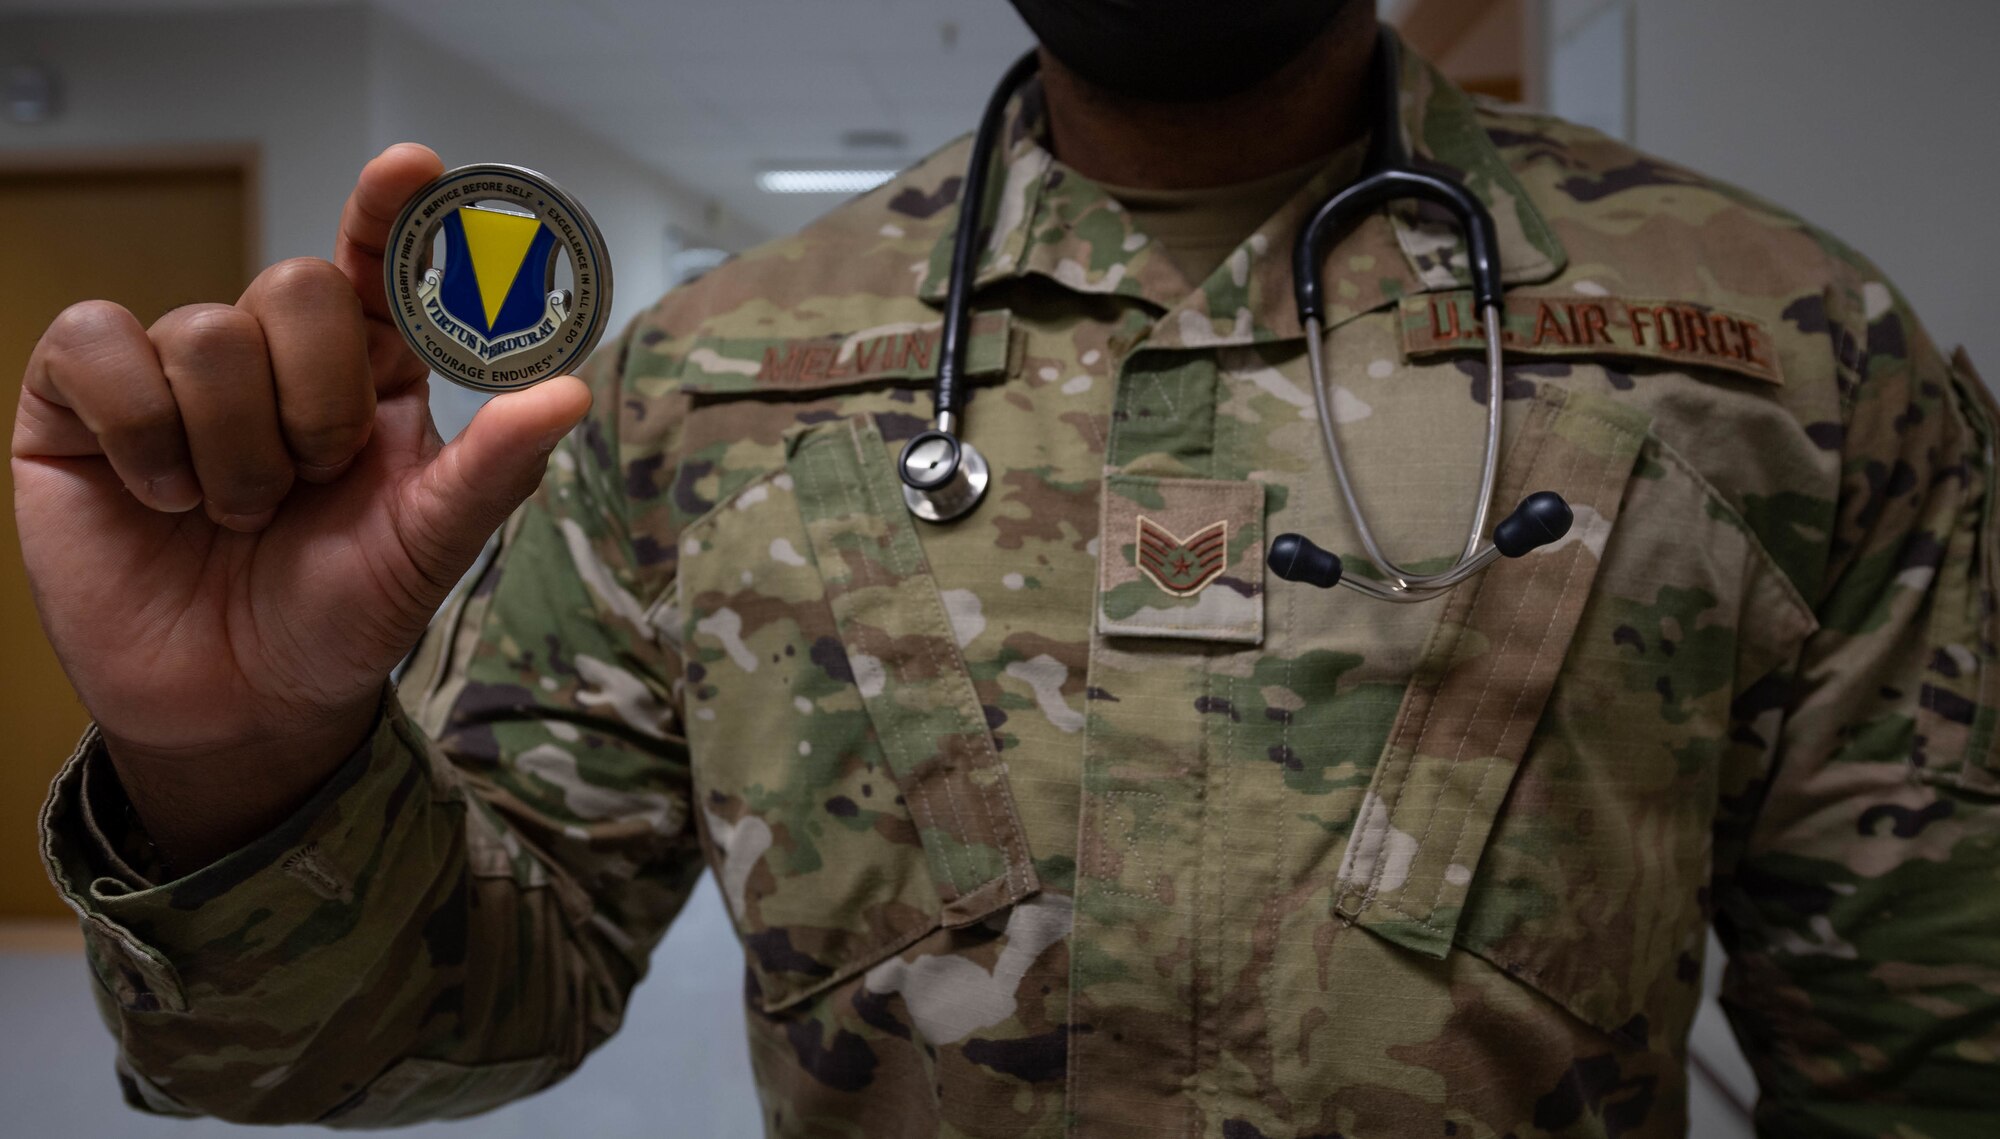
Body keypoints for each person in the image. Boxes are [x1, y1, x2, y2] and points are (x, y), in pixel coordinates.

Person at [15, 1, 1999, 1135]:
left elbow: (1929, 1070)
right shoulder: (703, 385)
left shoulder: (1778, 348)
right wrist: (243, 762)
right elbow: (379, 1033)